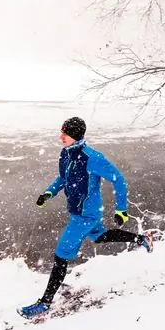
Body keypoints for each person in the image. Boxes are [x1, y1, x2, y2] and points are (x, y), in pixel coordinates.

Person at [17, 116, 153, 319]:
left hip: (85, 215)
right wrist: (49, 193)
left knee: (61, 254)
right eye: (61, 132)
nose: (61, 136)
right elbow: (63, 178)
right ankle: (141, 239)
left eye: (65, 133)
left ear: (75, 135)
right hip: (81, 210)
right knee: (100, 237)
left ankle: (45, 303)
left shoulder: (92, 157)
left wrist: (121, 210)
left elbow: (118, 179)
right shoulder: (66, 154)